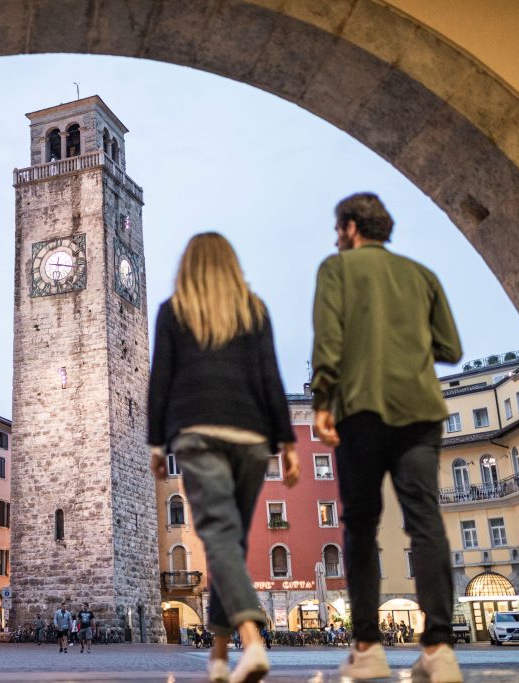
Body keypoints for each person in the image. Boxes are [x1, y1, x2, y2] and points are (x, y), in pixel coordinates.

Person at [311, 192, 463, 682]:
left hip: (361, 411)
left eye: (339, 228)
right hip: (421, 412)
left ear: (352, 227)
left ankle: (368, 647)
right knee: (424, 521)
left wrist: (321, 402)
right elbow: (450, 347)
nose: (337, 238)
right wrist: (404, 347)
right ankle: (440, 648)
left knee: (360, 527)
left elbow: (328, 345)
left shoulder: (336, 270)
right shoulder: (423, 275)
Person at [148, 232, 299, 683]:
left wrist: (157, 444)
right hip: (251, 437)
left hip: (198, 434)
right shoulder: (254, 310)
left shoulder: (174, 312)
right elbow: (271, 375)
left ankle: (251, 642)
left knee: (217, 533)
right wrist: (286, 442)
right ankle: (217, 655)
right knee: (227, 540)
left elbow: (161, 382)